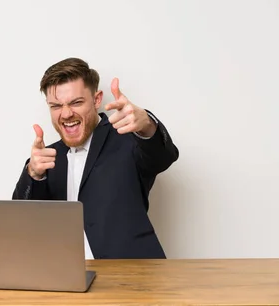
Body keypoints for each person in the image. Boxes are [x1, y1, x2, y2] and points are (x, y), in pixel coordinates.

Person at [12, 57, 179, 259]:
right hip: (65, 279)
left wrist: (147, 125)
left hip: (132, 278)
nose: (65, 114)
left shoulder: (129, 139)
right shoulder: (46, 159)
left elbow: (164, 156)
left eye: (76, 102)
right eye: (56, 106)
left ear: (97, 99)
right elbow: (21, 221)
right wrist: (33, 175)